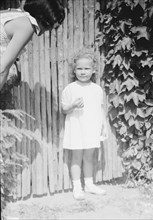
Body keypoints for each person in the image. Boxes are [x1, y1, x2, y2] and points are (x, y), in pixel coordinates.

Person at [61, 49, 108, 200]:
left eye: (87, 68)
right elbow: (64, 109)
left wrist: (103, 125)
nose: (83, 72)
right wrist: (73, 105)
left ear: (93, 70)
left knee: (89, 157)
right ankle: (77, 186)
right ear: (74, 70)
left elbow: (100, 108)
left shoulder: (97, 89)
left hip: (91, 127)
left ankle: (89, 184)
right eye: (79, 69)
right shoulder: (70, 89)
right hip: (76, 128)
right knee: (76, 157)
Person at [0, 0, 65, 91]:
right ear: (41, 17)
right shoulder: (27, 26)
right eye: (47, 26)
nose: (46, 31)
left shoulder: (15, 14)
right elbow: (2, 69)